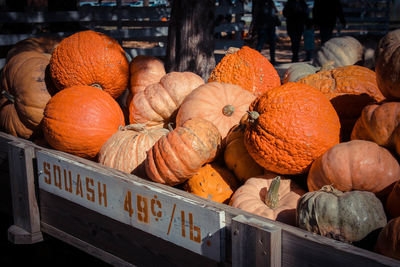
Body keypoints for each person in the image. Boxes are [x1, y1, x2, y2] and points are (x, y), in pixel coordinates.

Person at [253, 0, 280, 65]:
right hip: (264, 26)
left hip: (268, 26)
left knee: (268, 43)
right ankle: (255, 59)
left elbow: (275, 12)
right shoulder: (261, 3)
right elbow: (256, 15)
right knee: (261, 43)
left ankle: (272, 59)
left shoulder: (268, 3)